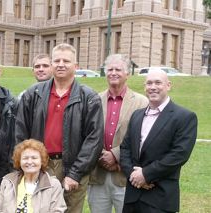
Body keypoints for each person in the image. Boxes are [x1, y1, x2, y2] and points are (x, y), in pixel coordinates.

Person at [15, 43, 104, 212]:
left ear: (76, 66)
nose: (61, 64)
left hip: (72, 165)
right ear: (52, 64)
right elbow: (20, 132)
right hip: (40, 164)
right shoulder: (33, 94)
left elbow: (94, 139)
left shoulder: (89, 97)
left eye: (66, 61)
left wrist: (75, 173)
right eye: (56, 60)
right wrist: (26, 164)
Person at [120, 68, 198, 213]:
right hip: (133, 196)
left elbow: (179, 155)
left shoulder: (184, 117)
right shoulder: (137, 115)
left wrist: (146, 175)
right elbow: (125, 149)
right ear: (144, 87)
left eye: (158, 83)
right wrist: (134, 175)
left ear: (168, 85)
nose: (153, 87)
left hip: (160, 198)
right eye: (149, 83)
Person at [88, 54, 148, 213]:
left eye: (118, 69)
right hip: (97, 176)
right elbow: (87, 134)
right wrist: (101, 156)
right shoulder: (93, 100)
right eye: (110, 69)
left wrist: (115, 155)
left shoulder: (142, 102)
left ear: (128, 74)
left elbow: (144, 138)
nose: (113, 73)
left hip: (126, 176)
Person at [0, 139, 67, 212]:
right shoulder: (8, 182)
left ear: (42, 160)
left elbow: (57, 210)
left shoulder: (53, 185)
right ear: (19, 161)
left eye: (34, 158)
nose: (29, 162)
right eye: (25, 158)